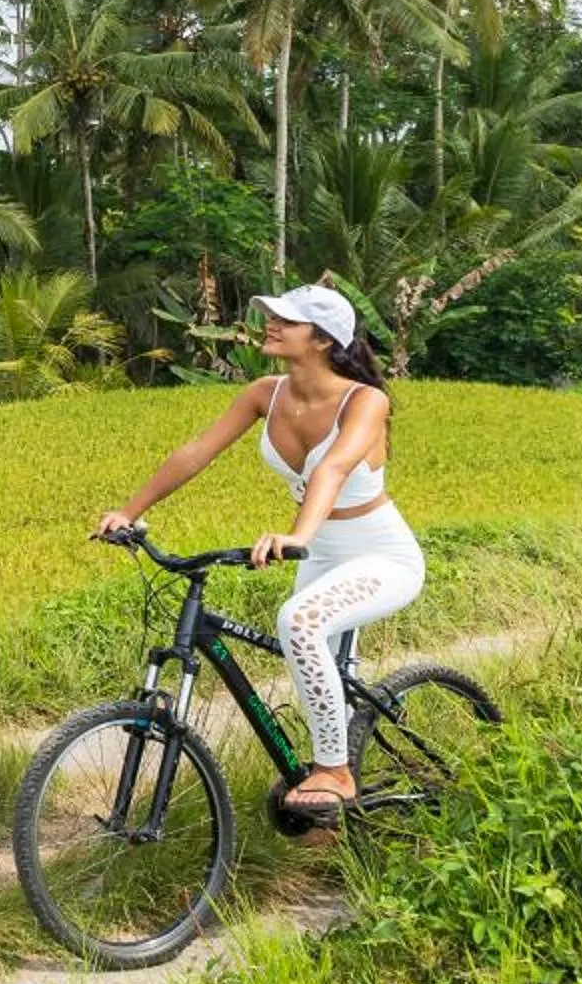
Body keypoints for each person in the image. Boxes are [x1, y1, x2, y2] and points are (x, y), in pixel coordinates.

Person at [94, 283, 423, 819]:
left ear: (321, 340)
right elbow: (196, 452)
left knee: (297, 621)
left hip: (380, 555)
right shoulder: (263, 394)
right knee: (308, 662)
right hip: (318, 557)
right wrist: (129, 512)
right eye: (272, 315)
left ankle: (336, 772)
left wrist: (298, 535)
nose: (271, 323)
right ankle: (329, 812)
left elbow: (334, 467)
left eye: (286, 321)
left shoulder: (366, 401)